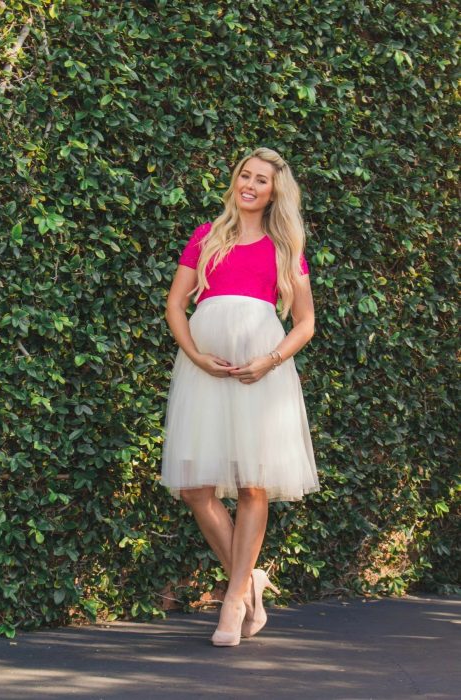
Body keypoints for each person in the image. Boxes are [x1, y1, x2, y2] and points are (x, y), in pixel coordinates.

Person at [161, 146, 321, 646]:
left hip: (260, 369)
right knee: (195, 488)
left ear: (276, 192)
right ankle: (249, 580)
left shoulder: (284, 246)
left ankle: (233, 603)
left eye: (262, 180)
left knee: (253, 485)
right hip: (206, 369)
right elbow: (174, 306)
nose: (250, 185)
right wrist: (195, 355)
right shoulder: (206, 236)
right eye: (244, 176)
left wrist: (270, 360)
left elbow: (306, 323)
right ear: (235, 181)